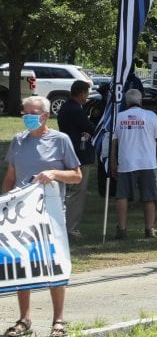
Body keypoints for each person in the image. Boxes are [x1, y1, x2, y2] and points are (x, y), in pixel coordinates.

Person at [2, 96, 82, 337]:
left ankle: (58, 319)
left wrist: (55, 173)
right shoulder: (18, 140)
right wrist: (4, 204)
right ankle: (24, 319)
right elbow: (10, 177)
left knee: (54, 262)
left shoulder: (60, 140)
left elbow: (76, 176)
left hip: (50, 213)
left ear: (45, 116)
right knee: (22, 262)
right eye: (24, 112)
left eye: (32, 113)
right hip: (22, 216)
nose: (27, 117)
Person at [111, 89, 157, 239]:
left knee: (122, 196)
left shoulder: (119, 117)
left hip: (126, 162)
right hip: (147, 162)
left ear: (126, 102)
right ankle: (149, 230)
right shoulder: (150, 116)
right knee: (149, 197)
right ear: (140, 101)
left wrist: (113, 162)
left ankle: (121, 230)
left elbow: (113, 142)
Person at [56, 80, 95, 238]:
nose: (87, 97)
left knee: (67, 191)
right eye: (86, 94)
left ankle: (64, 225)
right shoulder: (75, 109)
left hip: (67, 153)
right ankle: (70, 227)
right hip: (79, 155)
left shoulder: (65, 107)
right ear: (82, 93)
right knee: (77, 191)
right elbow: (90, 127)